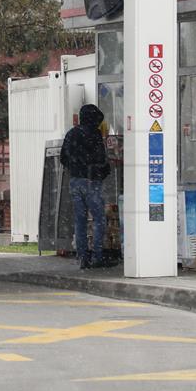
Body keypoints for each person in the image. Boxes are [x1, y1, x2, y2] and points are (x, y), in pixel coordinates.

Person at [60, 104, 111, 269]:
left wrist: (75, 168)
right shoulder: (94, 134)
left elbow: (63, 158)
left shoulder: (71, 133)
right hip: (91, 181)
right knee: (99, 220)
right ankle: (97, 256)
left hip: (75, 181)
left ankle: (82, 257)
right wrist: (102, 172)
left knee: (80, 221)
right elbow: (101, 159)